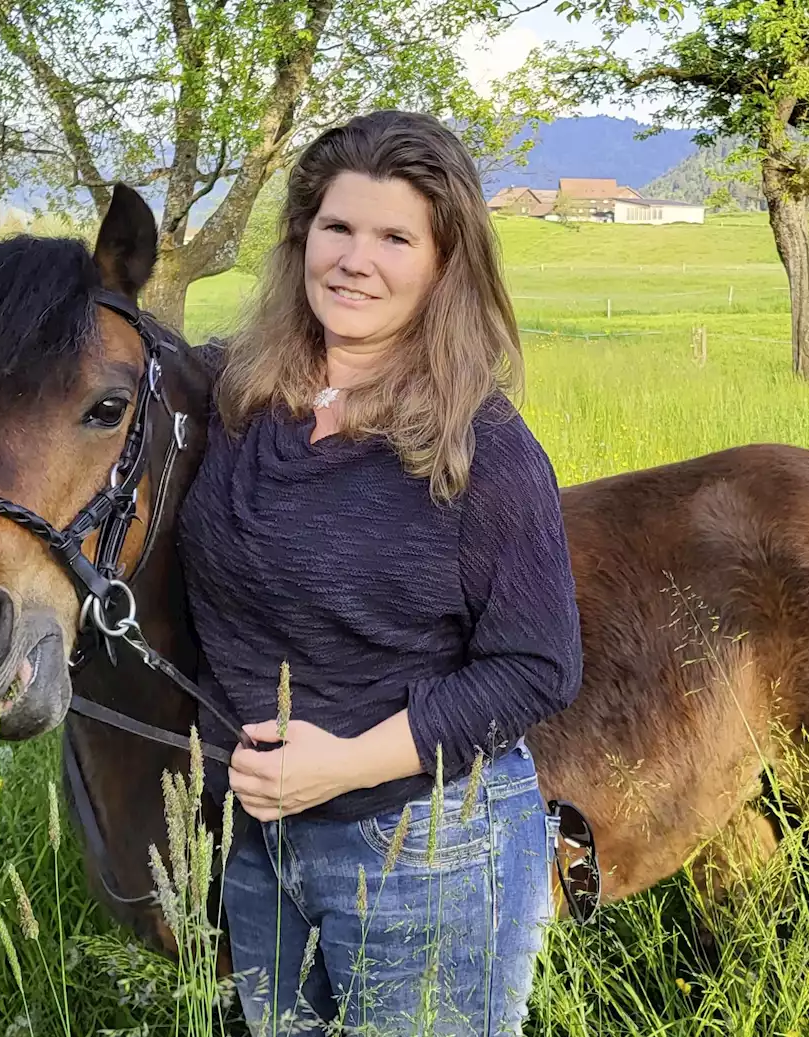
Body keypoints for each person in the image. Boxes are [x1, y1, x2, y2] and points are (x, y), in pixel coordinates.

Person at [175, 109, 583, 1036]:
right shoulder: (239, 398)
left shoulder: (481, 447)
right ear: (302, 240)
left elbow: (538, 666)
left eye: (395, 236)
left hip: (427, 844)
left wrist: (346, 764)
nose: (357, 259)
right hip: (259, 845)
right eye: (338, 228)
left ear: (444, 264)